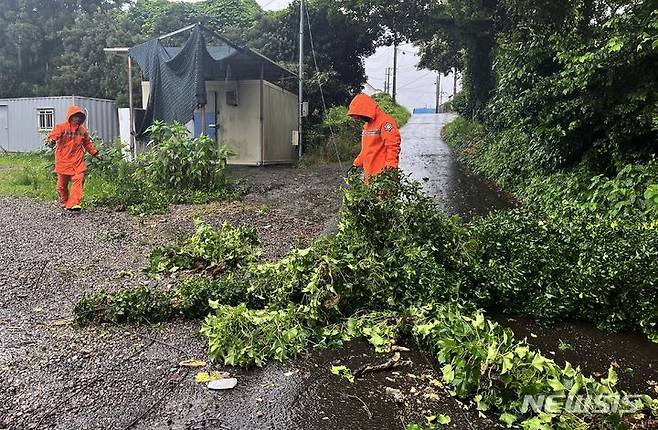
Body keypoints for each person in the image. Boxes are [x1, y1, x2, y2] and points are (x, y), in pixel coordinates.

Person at [46, 106, 103, 211]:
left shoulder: (82, 131)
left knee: (79, 179)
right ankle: (65, 201)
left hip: (77, 161)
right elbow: (53, 136)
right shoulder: (61, 127)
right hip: (63, 161)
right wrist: (51, 140)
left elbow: (87, 144)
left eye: (79, 117)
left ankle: (74, 203)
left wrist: (95, 153)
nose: (77, 119)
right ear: (70, 116)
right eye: (75, 116)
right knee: (61, 185)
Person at [347, 93, 401, 181]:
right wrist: (356, 165)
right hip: (369, 175)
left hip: (384, 175)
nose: (360, 119)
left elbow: (393, 146)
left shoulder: (385, 122)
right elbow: (366, 150)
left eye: (360, 116)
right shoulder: (367, 126)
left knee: (384, 195)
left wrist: (390, 167)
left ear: (366, 111)